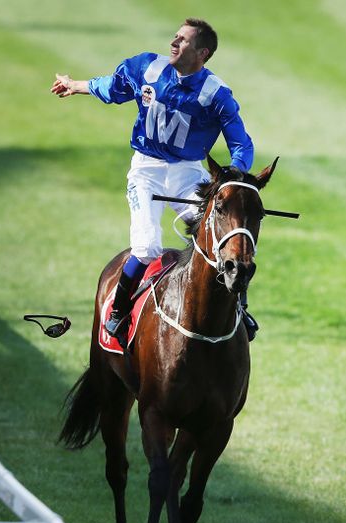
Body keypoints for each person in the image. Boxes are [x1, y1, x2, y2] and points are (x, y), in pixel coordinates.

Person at [50, 18, 260, 341]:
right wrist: (76, 85)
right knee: (147, 247)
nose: (174, 43)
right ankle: (118, 312)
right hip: (146, 171)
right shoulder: (147, 68)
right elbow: (113, 87)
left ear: (202, 53)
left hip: (188, 174)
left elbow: (241, 144)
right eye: (175, 36)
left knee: (223, 242)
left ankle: (240, 309)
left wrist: (234, 174)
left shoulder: (216, 94)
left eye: (183, 40)